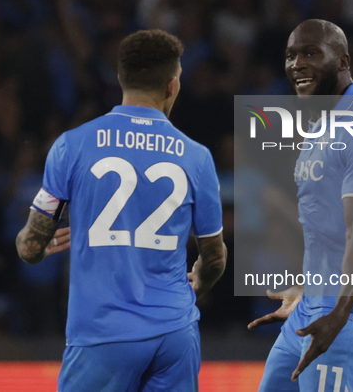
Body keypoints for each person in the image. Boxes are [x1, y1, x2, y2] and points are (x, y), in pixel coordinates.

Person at [16, 29, 226, 391]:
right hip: (175, 334)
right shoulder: (197, 157)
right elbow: (215, 256)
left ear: (120, 78)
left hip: (102, 335)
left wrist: (35, 243)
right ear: (173, 85)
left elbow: (30, 248)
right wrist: (199, 280)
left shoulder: (72, 145)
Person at [248, 19, 353, 391]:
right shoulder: (322, 126)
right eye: (291, 55)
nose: (297, 64)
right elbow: (328, 229)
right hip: (312, 312)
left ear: (343, 62)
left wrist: (339, 314)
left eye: (311, 53)